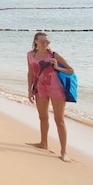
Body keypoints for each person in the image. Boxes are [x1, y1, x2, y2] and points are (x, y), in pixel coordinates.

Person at [27, 31, 75, 162]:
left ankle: (64, 152)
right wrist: (29, 90)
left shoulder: (54, 55)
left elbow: (71, 70)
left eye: (47, 41)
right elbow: (30, 73)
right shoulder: (30, 55)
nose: (45, 44)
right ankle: (43, 143)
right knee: (43, 118)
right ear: (35, 42)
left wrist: (57, 67)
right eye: (42, 41)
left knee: (59, 121)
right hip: (40, 89)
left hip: (56, 90)